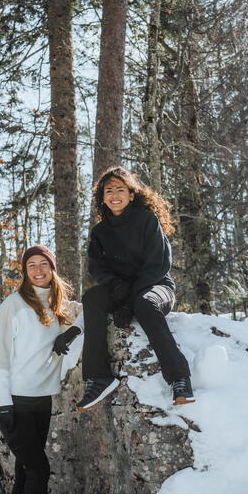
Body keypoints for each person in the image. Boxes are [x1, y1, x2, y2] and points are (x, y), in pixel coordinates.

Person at [77, 166, 195, 412]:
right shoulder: (100, 232)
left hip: (156, 286)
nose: (114, 195)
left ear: (131, 194)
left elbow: (158, 265)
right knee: (92, 298)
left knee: (145, 304)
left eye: (120, 189)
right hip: (120, 290)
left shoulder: (147, 220)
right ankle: (98, 377)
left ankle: (179, 379)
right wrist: (114, 285)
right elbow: (96, 268)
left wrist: (129, 301)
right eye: (108, 190)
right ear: (102, 198)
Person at [0, 244, 83, 494]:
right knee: (39, 468)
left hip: (42, 400)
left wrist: (71, 333)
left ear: (52, 269)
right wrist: (3, 406)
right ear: (25, 272)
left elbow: (89, 314)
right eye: (32, 265)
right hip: (11, 403)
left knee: (25, 469)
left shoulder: (59, 306)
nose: (38, 270)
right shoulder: (12, 307)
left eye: (44, 264)